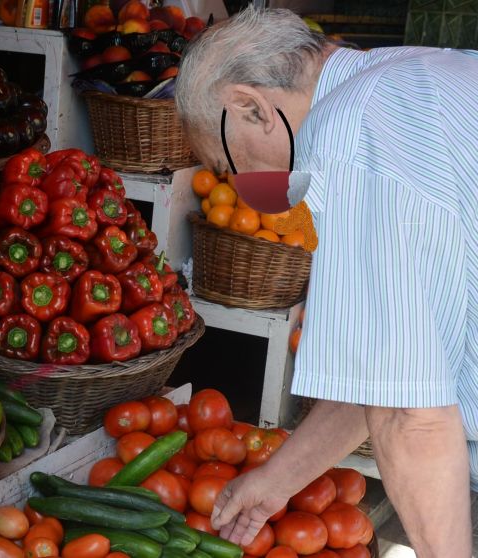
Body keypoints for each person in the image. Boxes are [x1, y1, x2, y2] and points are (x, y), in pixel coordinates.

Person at [173, 7, 478, 558]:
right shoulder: (414, 74)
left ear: (251, 107)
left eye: (226, 163)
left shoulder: (349, 135)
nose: (237, 185)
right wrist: (276, 482)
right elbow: (387, 377)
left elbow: (408, 415)